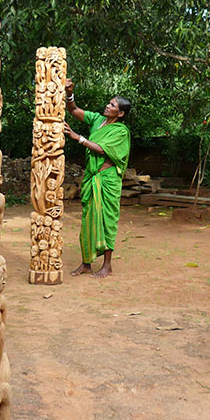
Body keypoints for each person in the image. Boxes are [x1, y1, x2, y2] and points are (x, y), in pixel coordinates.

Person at [64, 79, 131, 278]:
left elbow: (103, 150)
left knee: (107, 220)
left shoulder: (120, 131)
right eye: (109, 103)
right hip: (92, 178)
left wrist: (79, 138)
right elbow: (74, 110)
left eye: (112, 105)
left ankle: (107, 266)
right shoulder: (97, 120)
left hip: (107, 180)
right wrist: (69, 93)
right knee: (87, 220)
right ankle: (86, 263)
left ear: (120, 114)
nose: (107, 106)